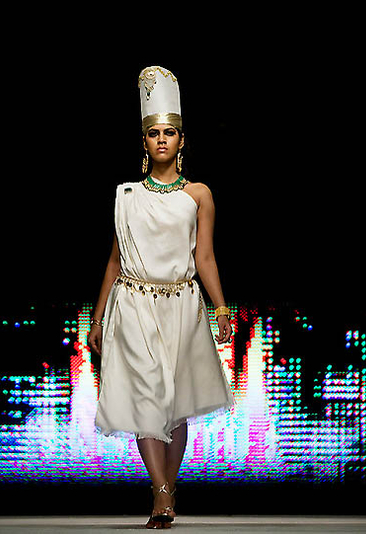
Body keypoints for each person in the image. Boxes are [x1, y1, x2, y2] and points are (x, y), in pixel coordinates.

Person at [89, 66, 236, 529]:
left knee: (175, 403)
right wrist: (96, 318)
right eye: (154, 133)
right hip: (133, 304)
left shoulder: (199, 195)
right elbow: (115, 260)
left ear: (182, 139)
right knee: (147, 398)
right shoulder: (127, 195)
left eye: (169, 132)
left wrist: (221, 307)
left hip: (182, 306)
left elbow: (204, 256)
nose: (162, 140)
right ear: (144, 141)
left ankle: (168, 491)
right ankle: (160, 493)